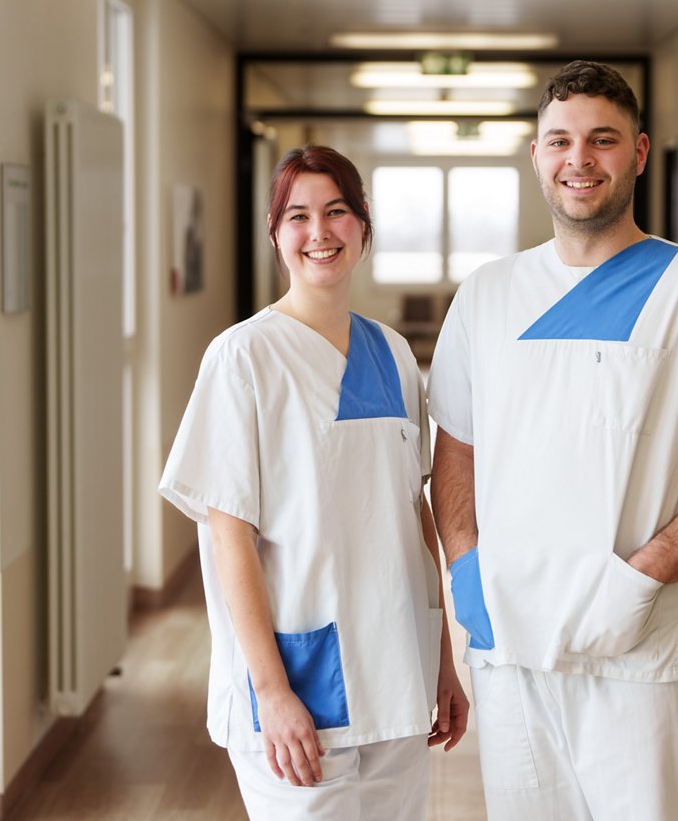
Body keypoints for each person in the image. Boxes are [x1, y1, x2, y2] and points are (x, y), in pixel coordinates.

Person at [427, 60, 678, 820]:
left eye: (602, 139)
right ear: (536, 155)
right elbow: (455, 448)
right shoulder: (488, 296)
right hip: (510, 649)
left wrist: (644, 577)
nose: (579, 159)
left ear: (639, 151)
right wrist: (467, 576)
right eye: (559, 140)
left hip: (638, 646)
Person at [160, 145, 468, 820]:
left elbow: (414, 515)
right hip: (300, 683)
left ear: (363, 228)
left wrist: (443, 660)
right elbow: (227, 532)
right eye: (298, 216)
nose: (319, 232)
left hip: (398, 677)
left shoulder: (391, 353)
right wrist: (270, 690)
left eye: (337, 212)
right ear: (275, 235)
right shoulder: (243, 357)